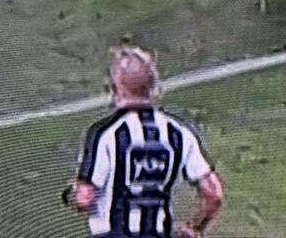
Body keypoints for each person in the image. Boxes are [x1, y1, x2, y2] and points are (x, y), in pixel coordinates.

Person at [65, 47, 224, 238]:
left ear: (114, 90)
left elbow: (85, 198)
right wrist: (195, 227)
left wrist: (70, 195)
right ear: (154, 88)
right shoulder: (179, 133)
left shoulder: (106, 133)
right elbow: (213, 194)